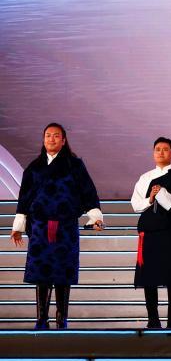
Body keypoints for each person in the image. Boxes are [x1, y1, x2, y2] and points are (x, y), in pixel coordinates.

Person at [10, 123, 104, 329]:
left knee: (63, 271)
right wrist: (18, 225)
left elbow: (88, 191)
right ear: (43, 139)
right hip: (39, 228)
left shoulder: (74, 165)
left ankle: (62, 319)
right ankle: (41, 318)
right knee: (41, 272)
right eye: (48, 135)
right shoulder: (34, 168)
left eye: (56, 136)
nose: (51, 139)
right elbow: (24, 198)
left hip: (65, 227)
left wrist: (95, 217)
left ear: (63, 140)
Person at [131, 137, 171, 329]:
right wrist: (151, 198)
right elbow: (136, 204)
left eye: (165, 149)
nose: (161, 152)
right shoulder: (145, 178)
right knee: (149, 277)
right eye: (157, 149)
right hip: (150, 233)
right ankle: (153, 319)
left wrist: (163, 194)